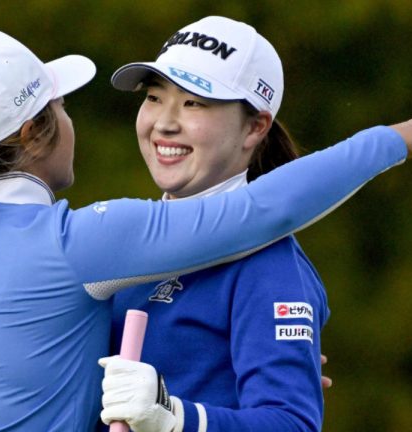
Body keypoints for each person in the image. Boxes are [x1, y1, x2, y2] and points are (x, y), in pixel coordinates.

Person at [0, 28, 412, 432]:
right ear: (37, 132)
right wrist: (391, 141)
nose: (164, 120)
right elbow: (261, 211)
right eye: (62, 107)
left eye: (196, 102)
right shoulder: (78, 246)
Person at [95, 16, 356, 432]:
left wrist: (176, 417)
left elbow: (292, 423)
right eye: (155, 97)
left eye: (194, 102)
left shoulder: (269, 265)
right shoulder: (120, 239)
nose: (164, 122)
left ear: (255, 127)